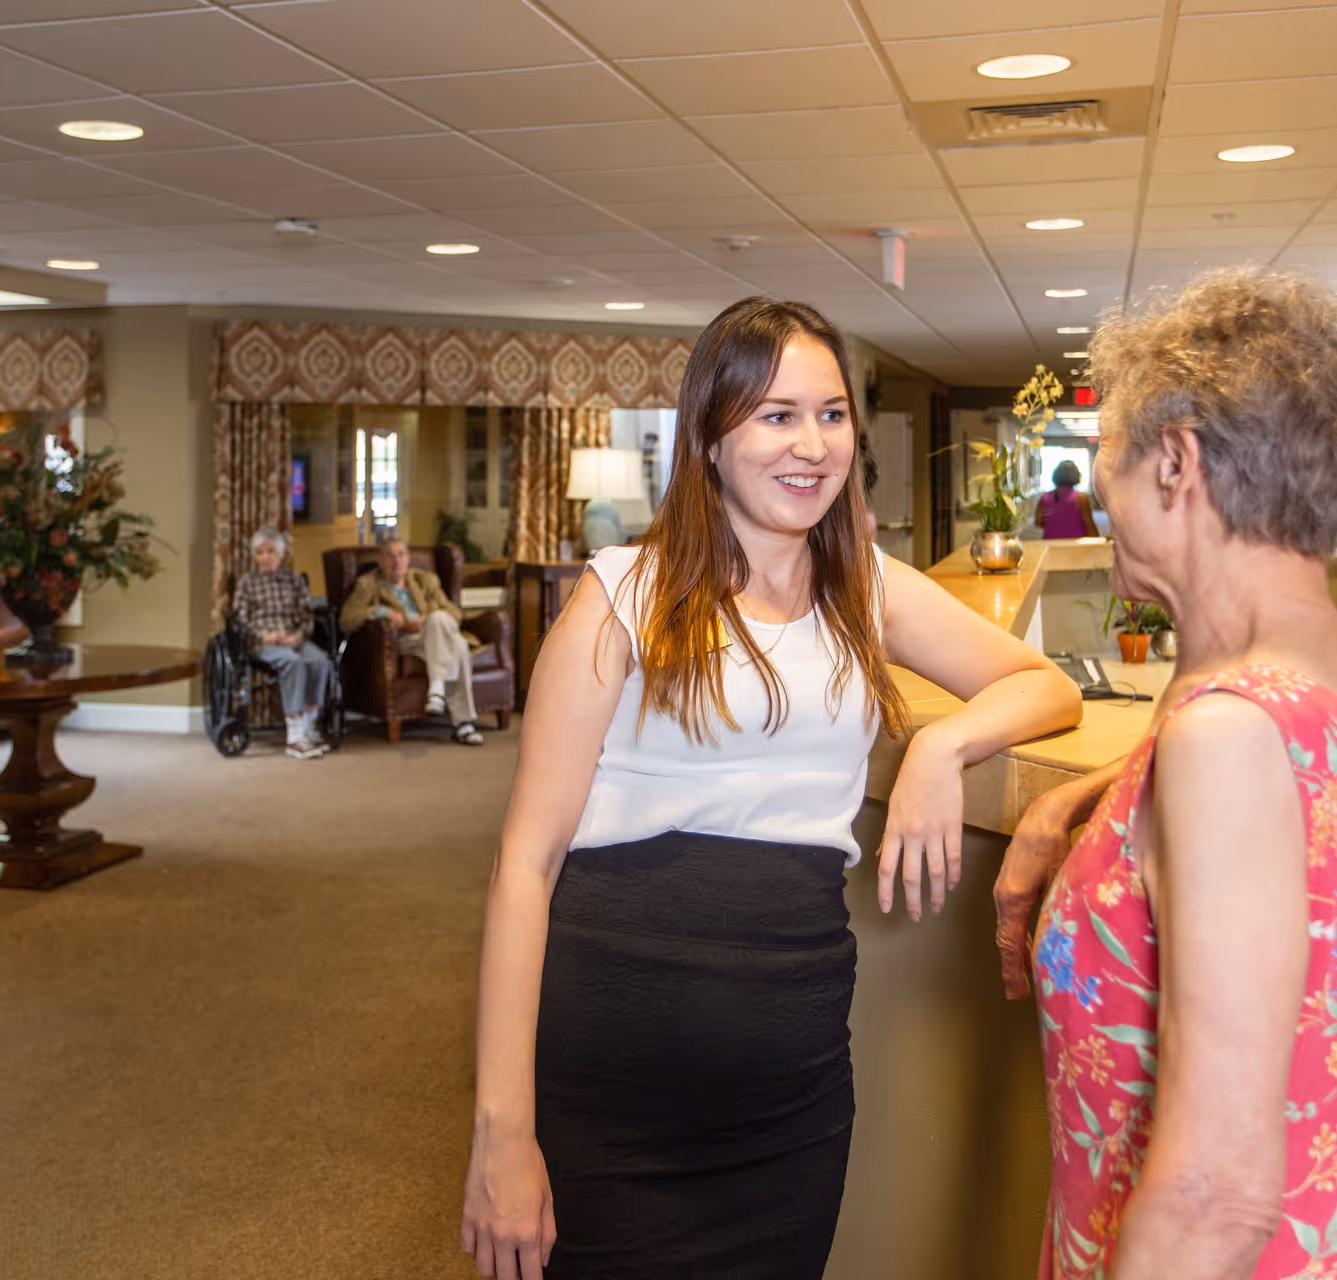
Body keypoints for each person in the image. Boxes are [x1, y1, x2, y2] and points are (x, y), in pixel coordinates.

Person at [460, 297, 1083, 1280]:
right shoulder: (623, 594)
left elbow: (1045, 684)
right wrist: (500, 1132)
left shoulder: (866, 588)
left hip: (789, 1095)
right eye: (776, 414)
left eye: (831, 413)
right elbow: (523, 867)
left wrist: (942, 742)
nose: (812, 444)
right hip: (615, 1089)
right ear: (709, 435)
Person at [995, 268, 1337, 1279]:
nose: (1104, 502)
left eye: (1111, 465)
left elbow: (1218, 1191)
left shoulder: (1227, 736)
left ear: (1176, 463)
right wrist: (1080, 802)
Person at [339, 537, 484, 746]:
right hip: (405, 642)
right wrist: (383, 611)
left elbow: (454, 614)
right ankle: (463, 723)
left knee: (445, 628)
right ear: (381, 560)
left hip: (432, 635)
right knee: (456, 645)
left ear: (408, 560)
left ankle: (438, 693)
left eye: (401, 555)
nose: (396, 560)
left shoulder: (425, 580)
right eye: (390, 555)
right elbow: (347, 619)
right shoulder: (368, 584)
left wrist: (426, 620)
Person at [233, 526, 334, 760]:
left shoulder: (294, 580)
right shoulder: (247, 583)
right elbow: (240, 619)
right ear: (255, 556)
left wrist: (296, 636)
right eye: (260, 552)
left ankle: (309, 728)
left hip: (294, 639)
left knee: (320, 661)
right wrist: (265, 636)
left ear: (280, 554)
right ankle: (295, 737)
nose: (265, 557)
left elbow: (307, 616)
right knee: (293, 663)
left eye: (270, 551)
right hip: (265, 642)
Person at [1034, 459, 1100, 538]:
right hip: (1075, 546)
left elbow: (1038, 522)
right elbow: (1089, 526)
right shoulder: (1081, 498)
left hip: (1050, 544)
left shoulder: (1044, 498)